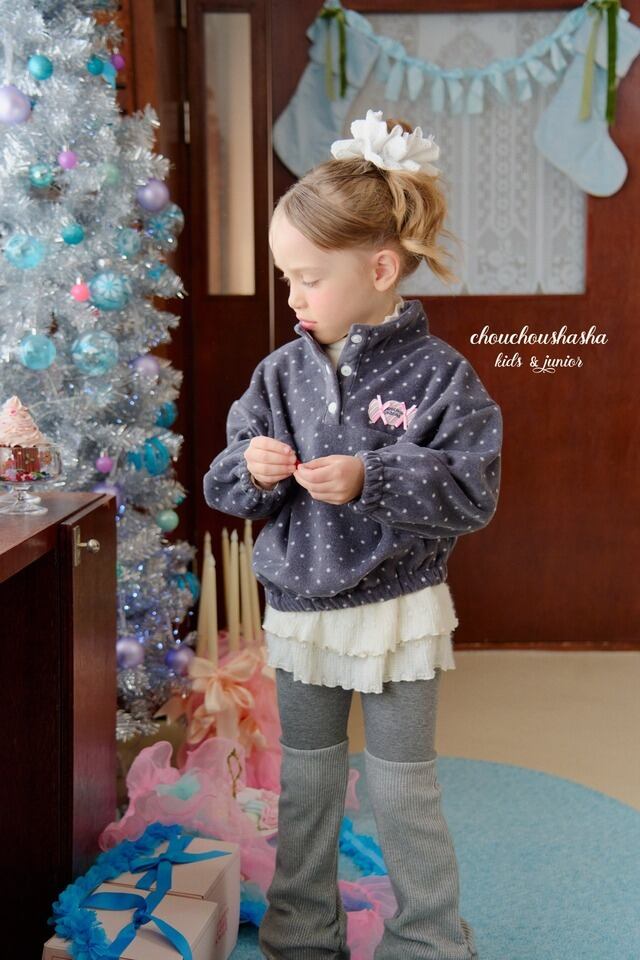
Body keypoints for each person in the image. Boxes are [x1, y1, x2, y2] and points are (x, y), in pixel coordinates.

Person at [204, 108, 502, 960]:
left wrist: (374, 476)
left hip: (399, 611)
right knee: (308, 785)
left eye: (308, 278)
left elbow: (473, 489)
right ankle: (302, 934)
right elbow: (223, 485)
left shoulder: (440, 375)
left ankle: (429, 941)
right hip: (303, 610)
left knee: (406, 789)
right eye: (285, 279)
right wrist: (254, 469)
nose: (293, 298)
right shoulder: (277, 374)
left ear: (379, 269)